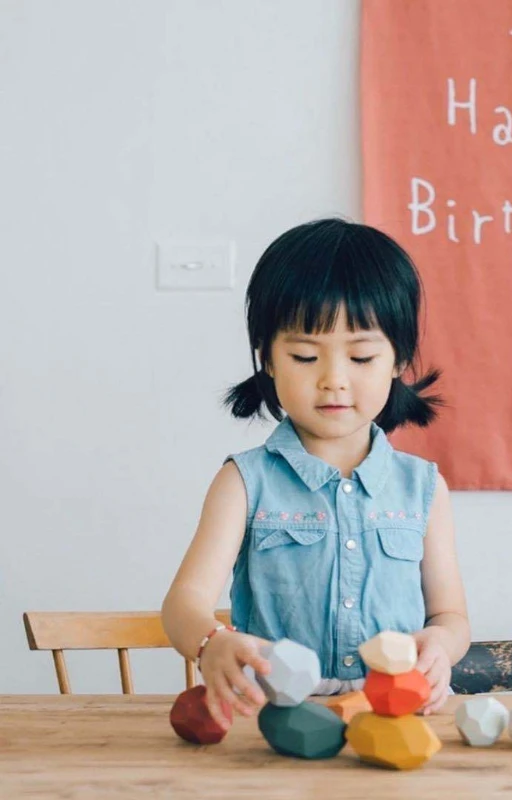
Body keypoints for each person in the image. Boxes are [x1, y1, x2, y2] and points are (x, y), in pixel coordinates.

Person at [161, 217, 471, 730]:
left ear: (398, 360)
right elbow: (184, 603)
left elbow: (451, 616)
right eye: (305, 355)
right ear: (268, 359)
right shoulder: (243, 482)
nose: (333, 380)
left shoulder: (423, 488)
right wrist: (211, 642)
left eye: (361, 356)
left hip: (397, 719)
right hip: (278, 722)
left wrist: (441, 644)